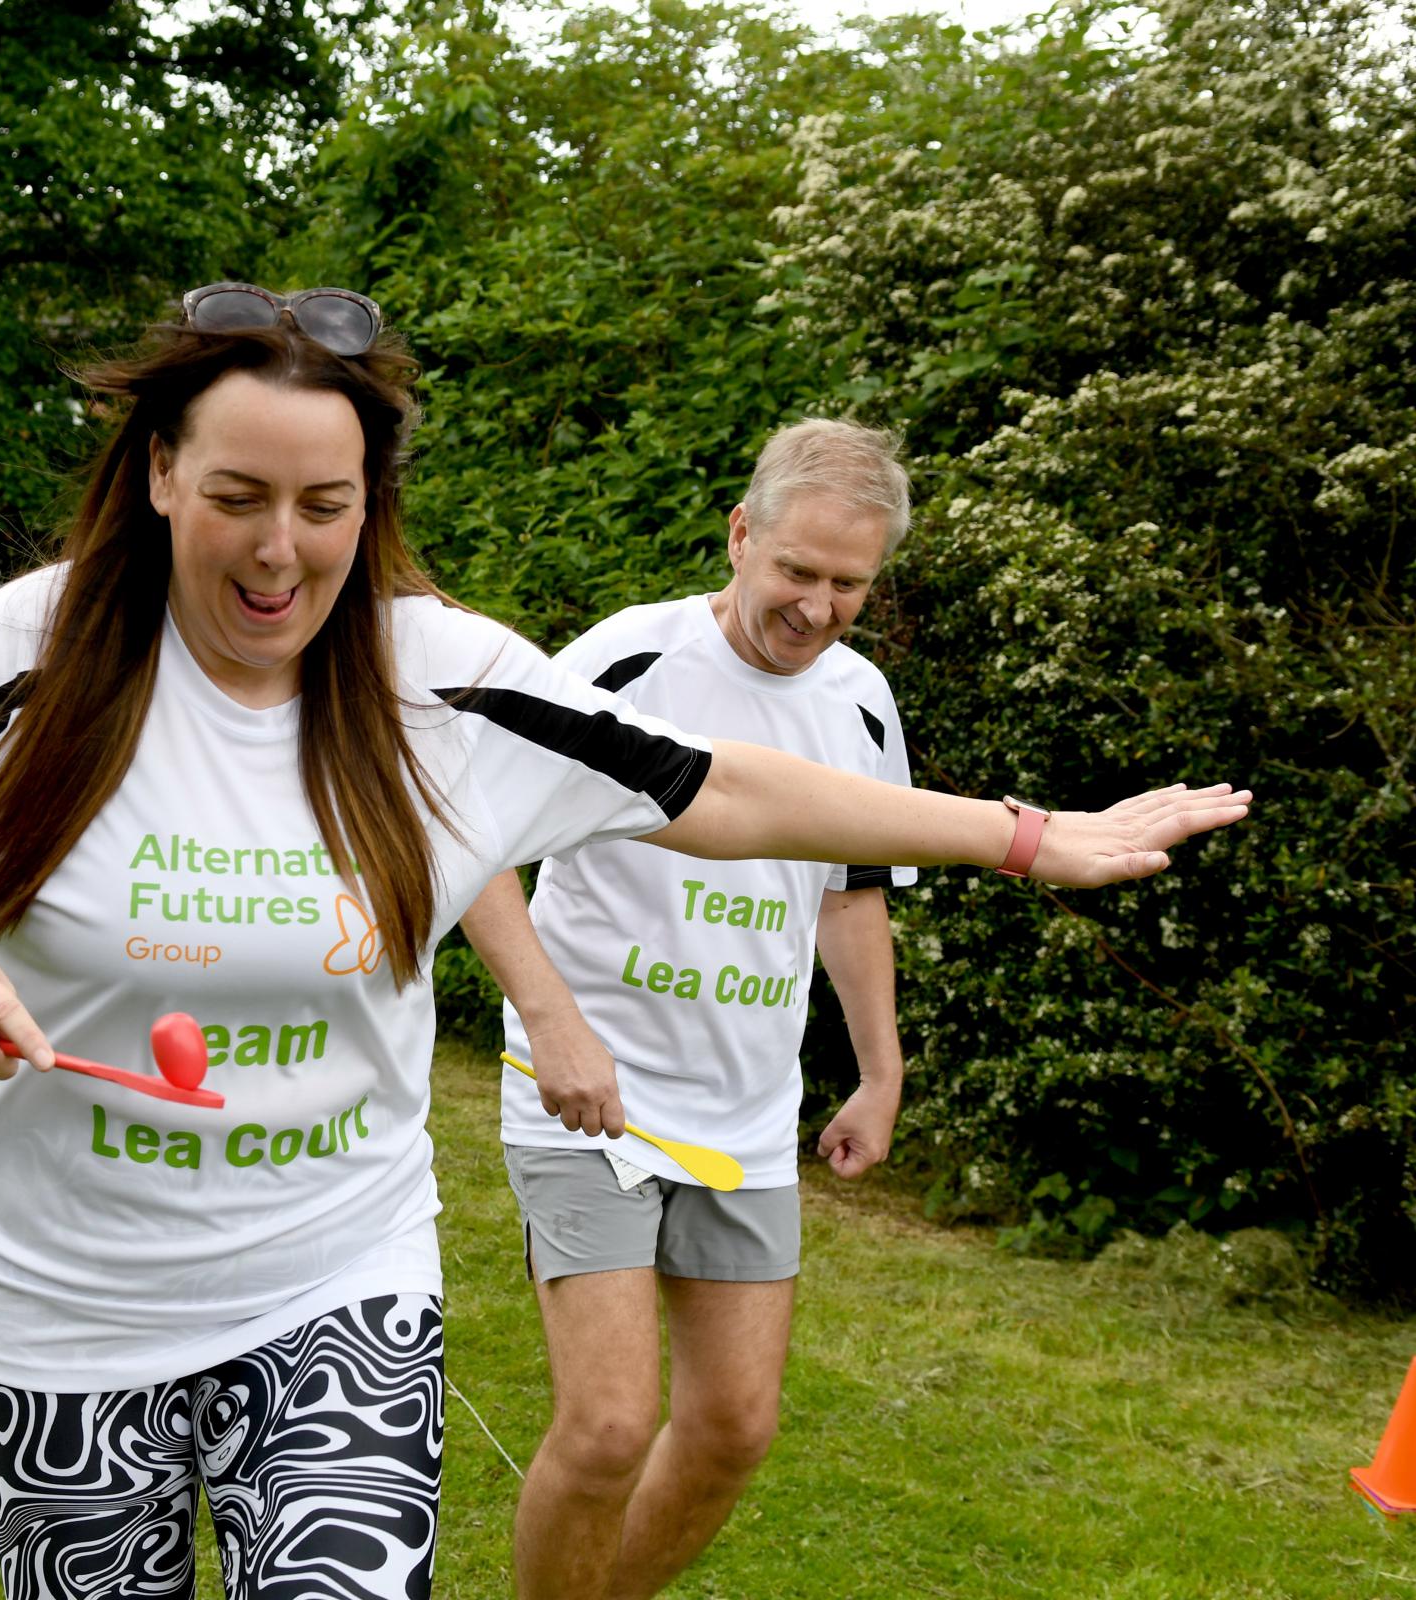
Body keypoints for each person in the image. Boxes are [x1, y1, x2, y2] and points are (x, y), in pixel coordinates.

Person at [0, 285, 1248, 1600]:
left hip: (332, 1281)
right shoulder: (34, 655)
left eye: (327, 507)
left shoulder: (438, 676)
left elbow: (714, 788)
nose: (280, 555)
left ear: (370, 503)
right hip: (57, 1301)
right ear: (163, 472)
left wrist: (1025, 833)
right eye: (239, 497)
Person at [461, 419, 926, 1600]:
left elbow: (850, 893)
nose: (817, 607)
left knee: (732, 1430)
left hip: (750, 1117)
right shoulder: (627, 659)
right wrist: (549, 1019)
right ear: (741, 535)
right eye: (798, 572)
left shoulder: (864, 706)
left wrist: (879, 1070)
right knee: (611, 1425)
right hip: (586, 1093)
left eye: (848, 585)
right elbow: (471, 834)